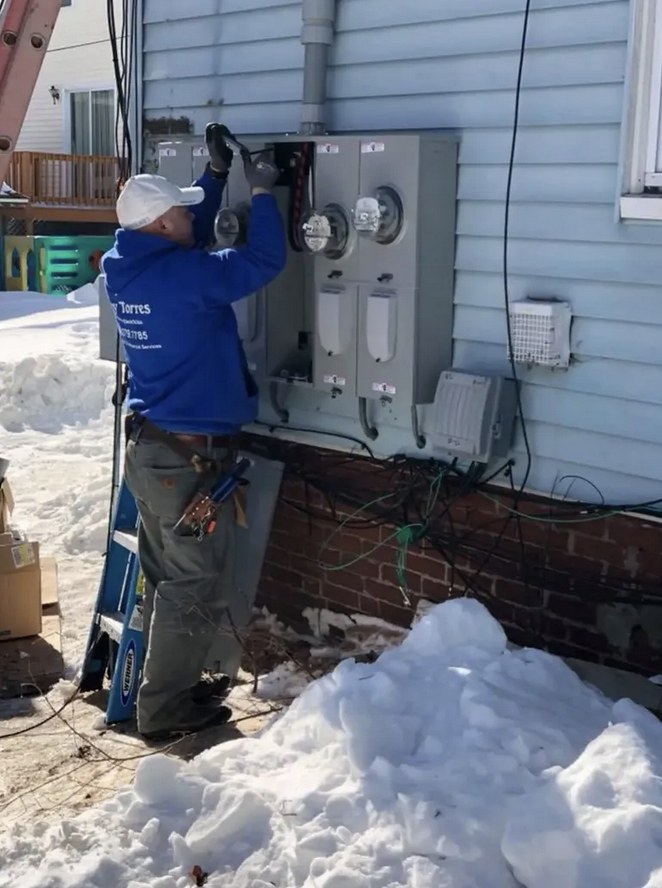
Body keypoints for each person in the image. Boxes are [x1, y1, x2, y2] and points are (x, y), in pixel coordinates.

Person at [101, 123, 286, 739]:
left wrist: (213, 176)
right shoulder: (186, 276)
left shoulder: (127, 264)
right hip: (186, 462)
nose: (189, 217)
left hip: (155, 451)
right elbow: (262, 260)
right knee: (191, 582)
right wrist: (262, 194)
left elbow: (190, 227)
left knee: (170, 579)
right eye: (178, 212)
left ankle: (164, 692)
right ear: (159, 226)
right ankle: (164, 712)